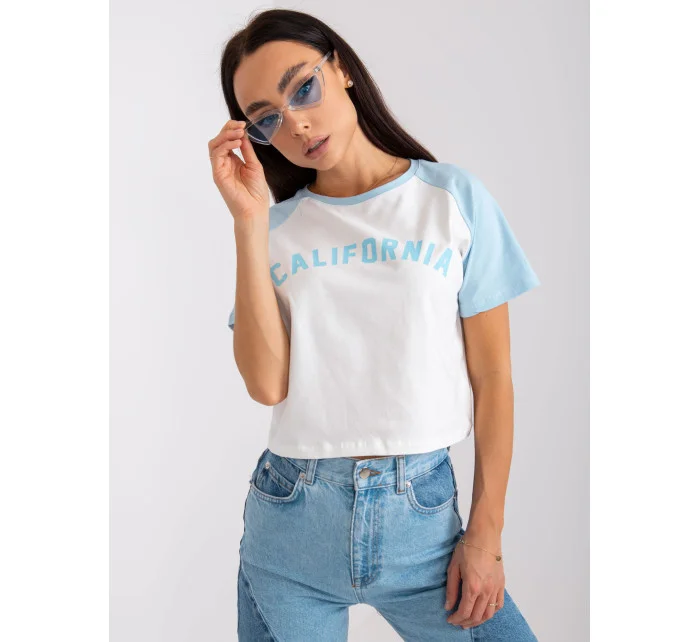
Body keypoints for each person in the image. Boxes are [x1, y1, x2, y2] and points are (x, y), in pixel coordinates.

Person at [209, 8, 540, 641]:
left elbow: (493, 378)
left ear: (340, 69)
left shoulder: (451, 199)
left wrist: (487, 534)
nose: (296, 123)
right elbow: (267, 385)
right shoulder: (276, 231)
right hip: (292, 524)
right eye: (267, 119)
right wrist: (249, 224)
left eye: (303, 88)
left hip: (421, 522)